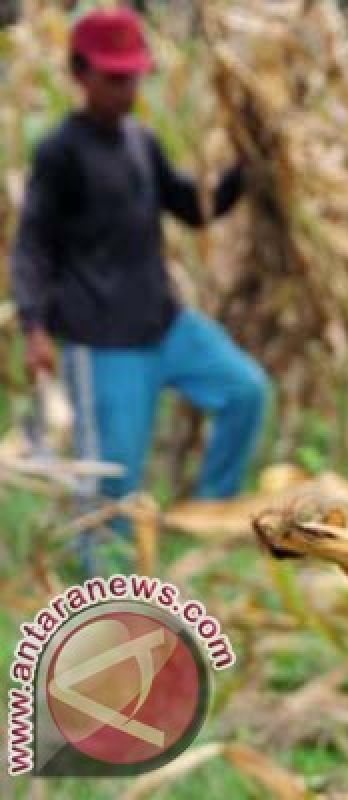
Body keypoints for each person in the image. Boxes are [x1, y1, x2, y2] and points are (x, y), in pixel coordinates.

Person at [8, 8, 270, 574]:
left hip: (164, 325)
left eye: (135, 75)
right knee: (112, 484)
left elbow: (191, 207)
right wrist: (33, 329)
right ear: (80, 75)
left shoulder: (140, 141)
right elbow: (32, 245)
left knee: (245, 391)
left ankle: (207, 521)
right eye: (115, 77)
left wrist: (250, 165)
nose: (129, 89)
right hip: (102, 343)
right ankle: (103, 590)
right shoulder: (61, 152)